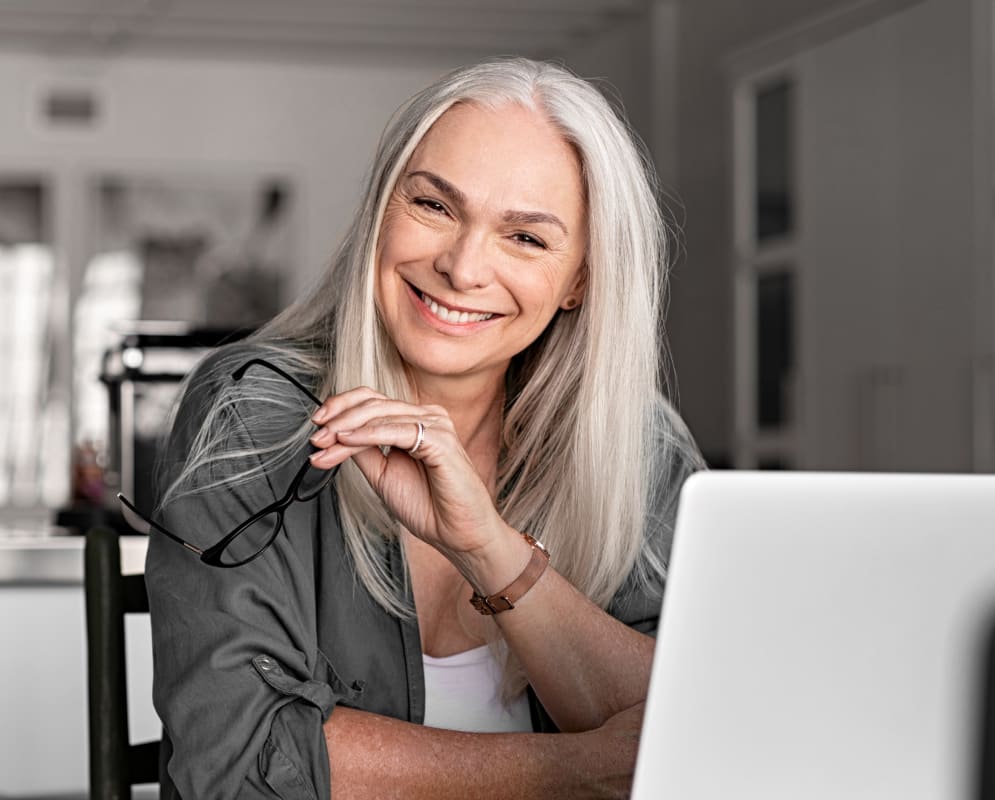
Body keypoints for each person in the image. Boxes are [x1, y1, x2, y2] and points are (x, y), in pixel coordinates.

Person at [139, 56, 704, 799]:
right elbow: (233, 763)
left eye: (526, 238)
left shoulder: (637, 444)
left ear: (580, 281)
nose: (463, 267)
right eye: (435, 206)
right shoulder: (254, 409)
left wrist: (491, 552)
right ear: (381, 209)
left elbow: (696, 734)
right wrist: (566, 770)